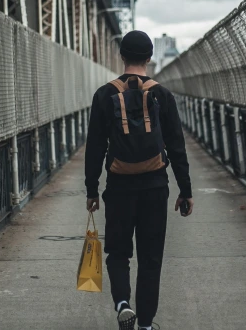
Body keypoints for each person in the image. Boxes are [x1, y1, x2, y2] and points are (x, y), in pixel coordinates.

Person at [85, 30, 194, 330]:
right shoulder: (163, 94)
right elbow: (176, 146)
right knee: (150, 259)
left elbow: (95, 147)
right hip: (155, 186)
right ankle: (145, 325)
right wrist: (185, 190)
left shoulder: (104, 95)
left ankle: (123, 304)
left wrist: (91, 189)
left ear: (122, 56)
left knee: (118, 252)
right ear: (149, 58)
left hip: (119, 187)